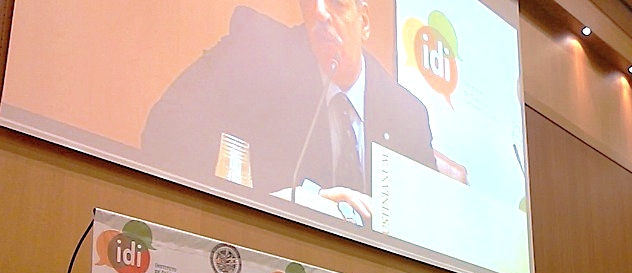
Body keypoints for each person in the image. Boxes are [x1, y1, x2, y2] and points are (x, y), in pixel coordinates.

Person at [141, 0, 437, 224]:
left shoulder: (407, 114)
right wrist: (301, 200)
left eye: (336, 3)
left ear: (364, 22)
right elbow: (165, 128)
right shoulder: (256, 52)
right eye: (311, 3)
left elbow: (429, 221)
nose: (320, 13)